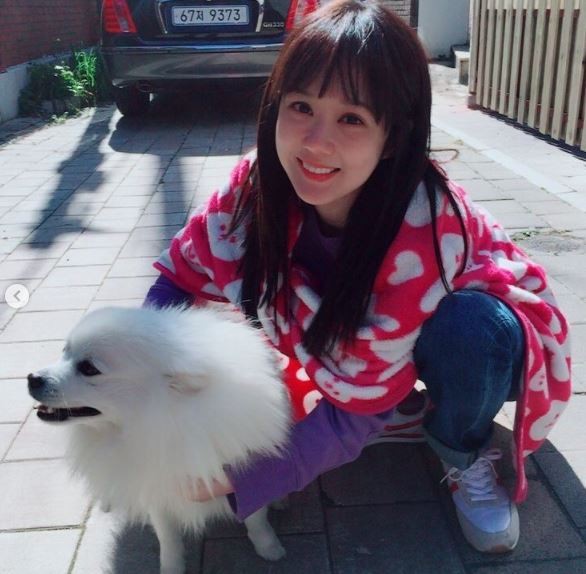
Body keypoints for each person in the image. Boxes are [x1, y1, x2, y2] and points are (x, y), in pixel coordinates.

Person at [144, 0, 571, 554]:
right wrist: (132, 374)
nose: (315, 142)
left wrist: (239, 480)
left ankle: (460, 446)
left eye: (352, 118)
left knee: (470, 327)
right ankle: (394, 397)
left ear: (392, 137)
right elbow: (179, 278)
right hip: (385, 344)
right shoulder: (253, 189)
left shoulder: (425, 225)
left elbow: (351, 416)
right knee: (368, 371)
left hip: (491, 347)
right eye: (301, 106)